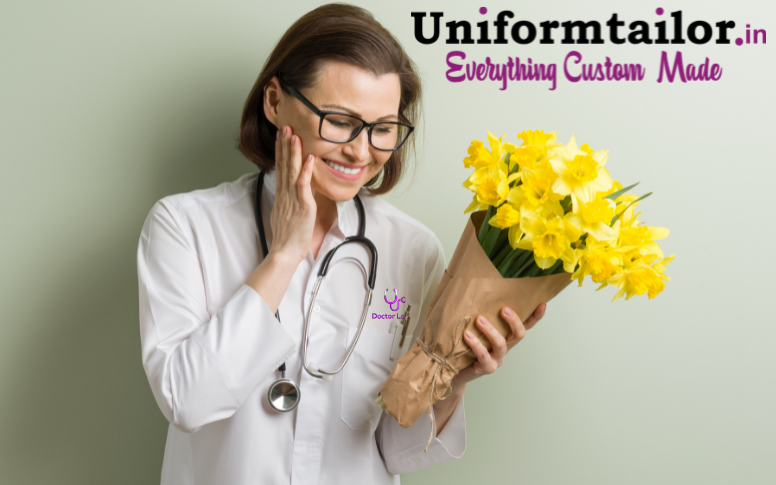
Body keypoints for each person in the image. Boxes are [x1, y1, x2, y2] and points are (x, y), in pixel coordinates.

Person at [137, 4, 547, 484]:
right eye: (338, 120)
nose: (360, 149)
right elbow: (187, 400)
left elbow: (394, 450)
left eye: (383, 129)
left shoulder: (412, 249)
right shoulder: (184, 226)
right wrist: (284, 254)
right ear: (274, 102)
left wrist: (454, 379)